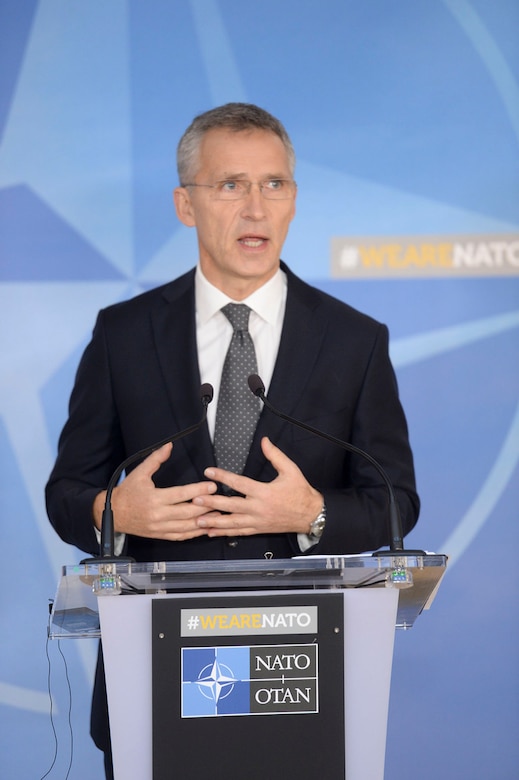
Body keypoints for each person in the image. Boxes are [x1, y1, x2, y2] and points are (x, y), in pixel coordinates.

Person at [46, 102, 419, 778]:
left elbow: (394, 499)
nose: (255, 208)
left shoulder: (353, 340)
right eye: (230, 185)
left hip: (300, 676)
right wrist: (112, 514)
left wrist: (311, 515)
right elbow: (67, 488)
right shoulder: (124, 334)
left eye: (272, 184)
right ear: (186, 205)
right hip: (152, 681)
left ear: (294, 200)